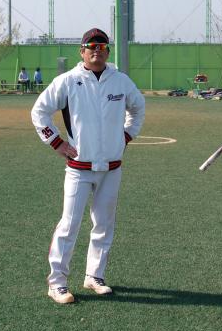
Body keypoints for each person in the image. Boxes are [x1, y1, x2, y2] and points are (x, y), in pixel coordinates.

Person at [31, 27, 145, 304]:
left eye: (102, 47)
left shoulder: (121, 81)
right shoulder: (68, 81)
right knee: (69, 224)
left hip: (111, 167)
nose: (97, 51)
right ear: (81, 51)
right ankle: (57, 283)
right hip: (79, 168)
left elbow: (138, 108)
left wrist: (126, 136)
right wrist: (56, 142)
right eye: (92, 47)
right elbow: (39, 111)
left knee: (104, 224)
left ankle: (94, 275)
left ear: (108, 52)